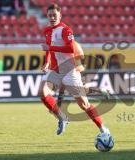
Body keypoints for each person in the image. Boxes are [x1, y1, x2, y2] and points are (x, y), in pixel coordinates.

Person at [39, 3, 110, 135]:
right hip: (55, 70)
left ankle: (103, 129)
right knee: (42, 93)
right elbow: (48, 47)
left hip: (69, 70)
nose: (52, 17)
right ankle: (62, 118)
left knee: (84, 105)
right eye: (50, 15)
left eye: (55, 15)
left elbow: (70, 48)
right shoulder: (47, 31)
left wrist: (50, 48)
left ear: (60, 15)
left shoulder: (66, 30)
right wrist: (47, 62)